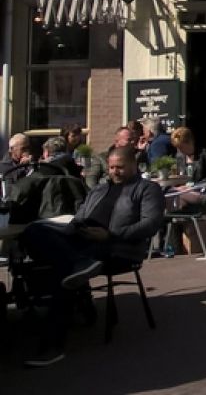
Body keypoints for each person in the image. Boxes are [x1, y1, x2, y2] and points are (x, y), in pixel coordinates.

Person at [18, 145, 165, 367]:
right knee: (33, 231)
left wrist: (110, 235)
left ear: (134, 165)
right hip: (83, 242)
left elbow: (150, 224)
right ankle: (77, 264)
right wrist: (75, 226)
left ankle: (53, 345)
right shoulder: (99, 189)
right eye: (111, 167)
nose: (114, 172)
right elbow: (81, 214)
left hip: (116, 246)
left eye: (120, 168)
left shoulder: (146, 189)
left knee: (61, 273)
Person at [161, 126, 206, 257]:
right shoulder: (180, 156)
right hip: (185, 194)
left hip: (202, 192)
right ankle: (173, 246)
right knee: (171, 201)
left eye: (181, 147)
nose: (180, 150)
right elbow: (179, 175)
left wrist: (192, 186)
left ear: (189, 142)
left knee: (170, 200)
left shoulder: (203, 154)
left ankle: (169, 246)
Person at [7, 137, 88, 224]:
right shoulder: (76, 171)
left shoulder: (44, 171)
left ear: (46, 153)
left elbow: (19, 191)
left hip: (45, 221)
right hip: (75, 220)